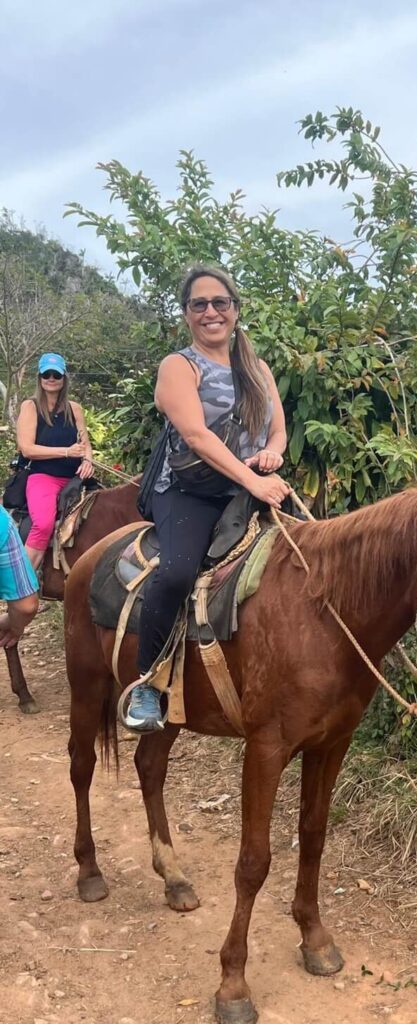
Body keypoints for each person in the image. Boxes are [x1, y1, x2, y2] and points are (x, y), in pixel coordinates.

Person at [121, 265, 290, 733]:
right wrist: (252, 482)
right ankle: (147, 685)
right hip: (188, 492)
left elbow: (277, 428)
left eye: (220, 303)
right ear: (186, 315)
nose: (211, 312)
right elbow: (195, 435)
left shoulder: (257, 369)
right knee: (176, 574)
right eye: (200, 304)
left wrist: (271, 456)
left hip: (248, 487)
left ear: (236, 310)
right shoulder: (179, 366)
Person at [16, 353, 93, 572]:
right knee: (43, 524)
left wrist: (87, 459)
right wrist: (67, 452)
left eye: (56, 374)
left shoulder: (74, 408)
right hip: (44, 477)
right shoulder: (30, 407)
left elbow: (85, 443)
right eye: (46, 374)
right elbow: (27, 449)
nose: (51, 378)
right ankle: (25, 582)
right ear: (40, 378)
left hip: (76, 479)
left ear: (63, 378)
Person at [0, 505, 40, 648]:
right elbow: (25, 607)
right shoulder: (1, 520)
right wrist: (14, 624)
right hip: (46, 483)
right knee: (43, 525)